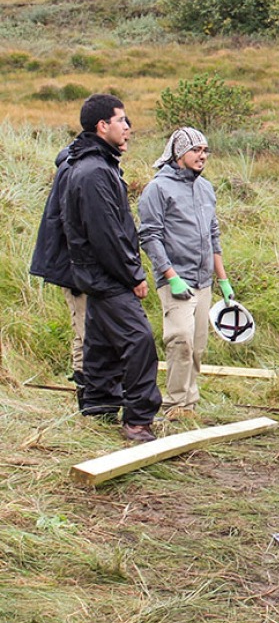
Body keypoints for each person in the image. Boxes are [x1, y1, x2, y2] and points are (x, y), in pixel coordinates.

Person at [60, 94, 162, 442]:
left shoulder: (95, 165)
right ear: (103, 126)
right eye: (123, 120)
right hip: (107, 277)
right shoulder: (93, 171)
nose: (129, 128)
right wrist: (134, 275)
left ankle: (99, 409)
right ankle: (137, 421)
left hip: (97, 277)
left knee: (102, 345)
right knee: (140, 341)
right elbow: (107, 235)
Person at [138, 127, 233, 418]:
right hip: (176, 280)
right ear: (179, 153)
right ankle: (176, 403)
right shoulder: (158, 188)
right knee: (180, 338)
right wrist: (170, 275)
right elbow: (149, 236)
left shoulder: (205, 187)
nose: (202, 156)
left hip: (204, 279)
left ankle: (189, 402)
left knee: (198, 346)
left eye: (205, 150)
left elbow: (212, 234)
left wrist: (223, 280)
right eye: (196, 150)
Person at [29, 142, 87, 408]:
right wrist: (76, 272)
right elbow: (68, 225)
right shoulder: (71, 169)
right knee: (85, 330)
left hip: (84, 268)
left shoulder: (82, 167)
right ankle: (88, 395)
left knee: (87, 330)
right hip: (75, 269)